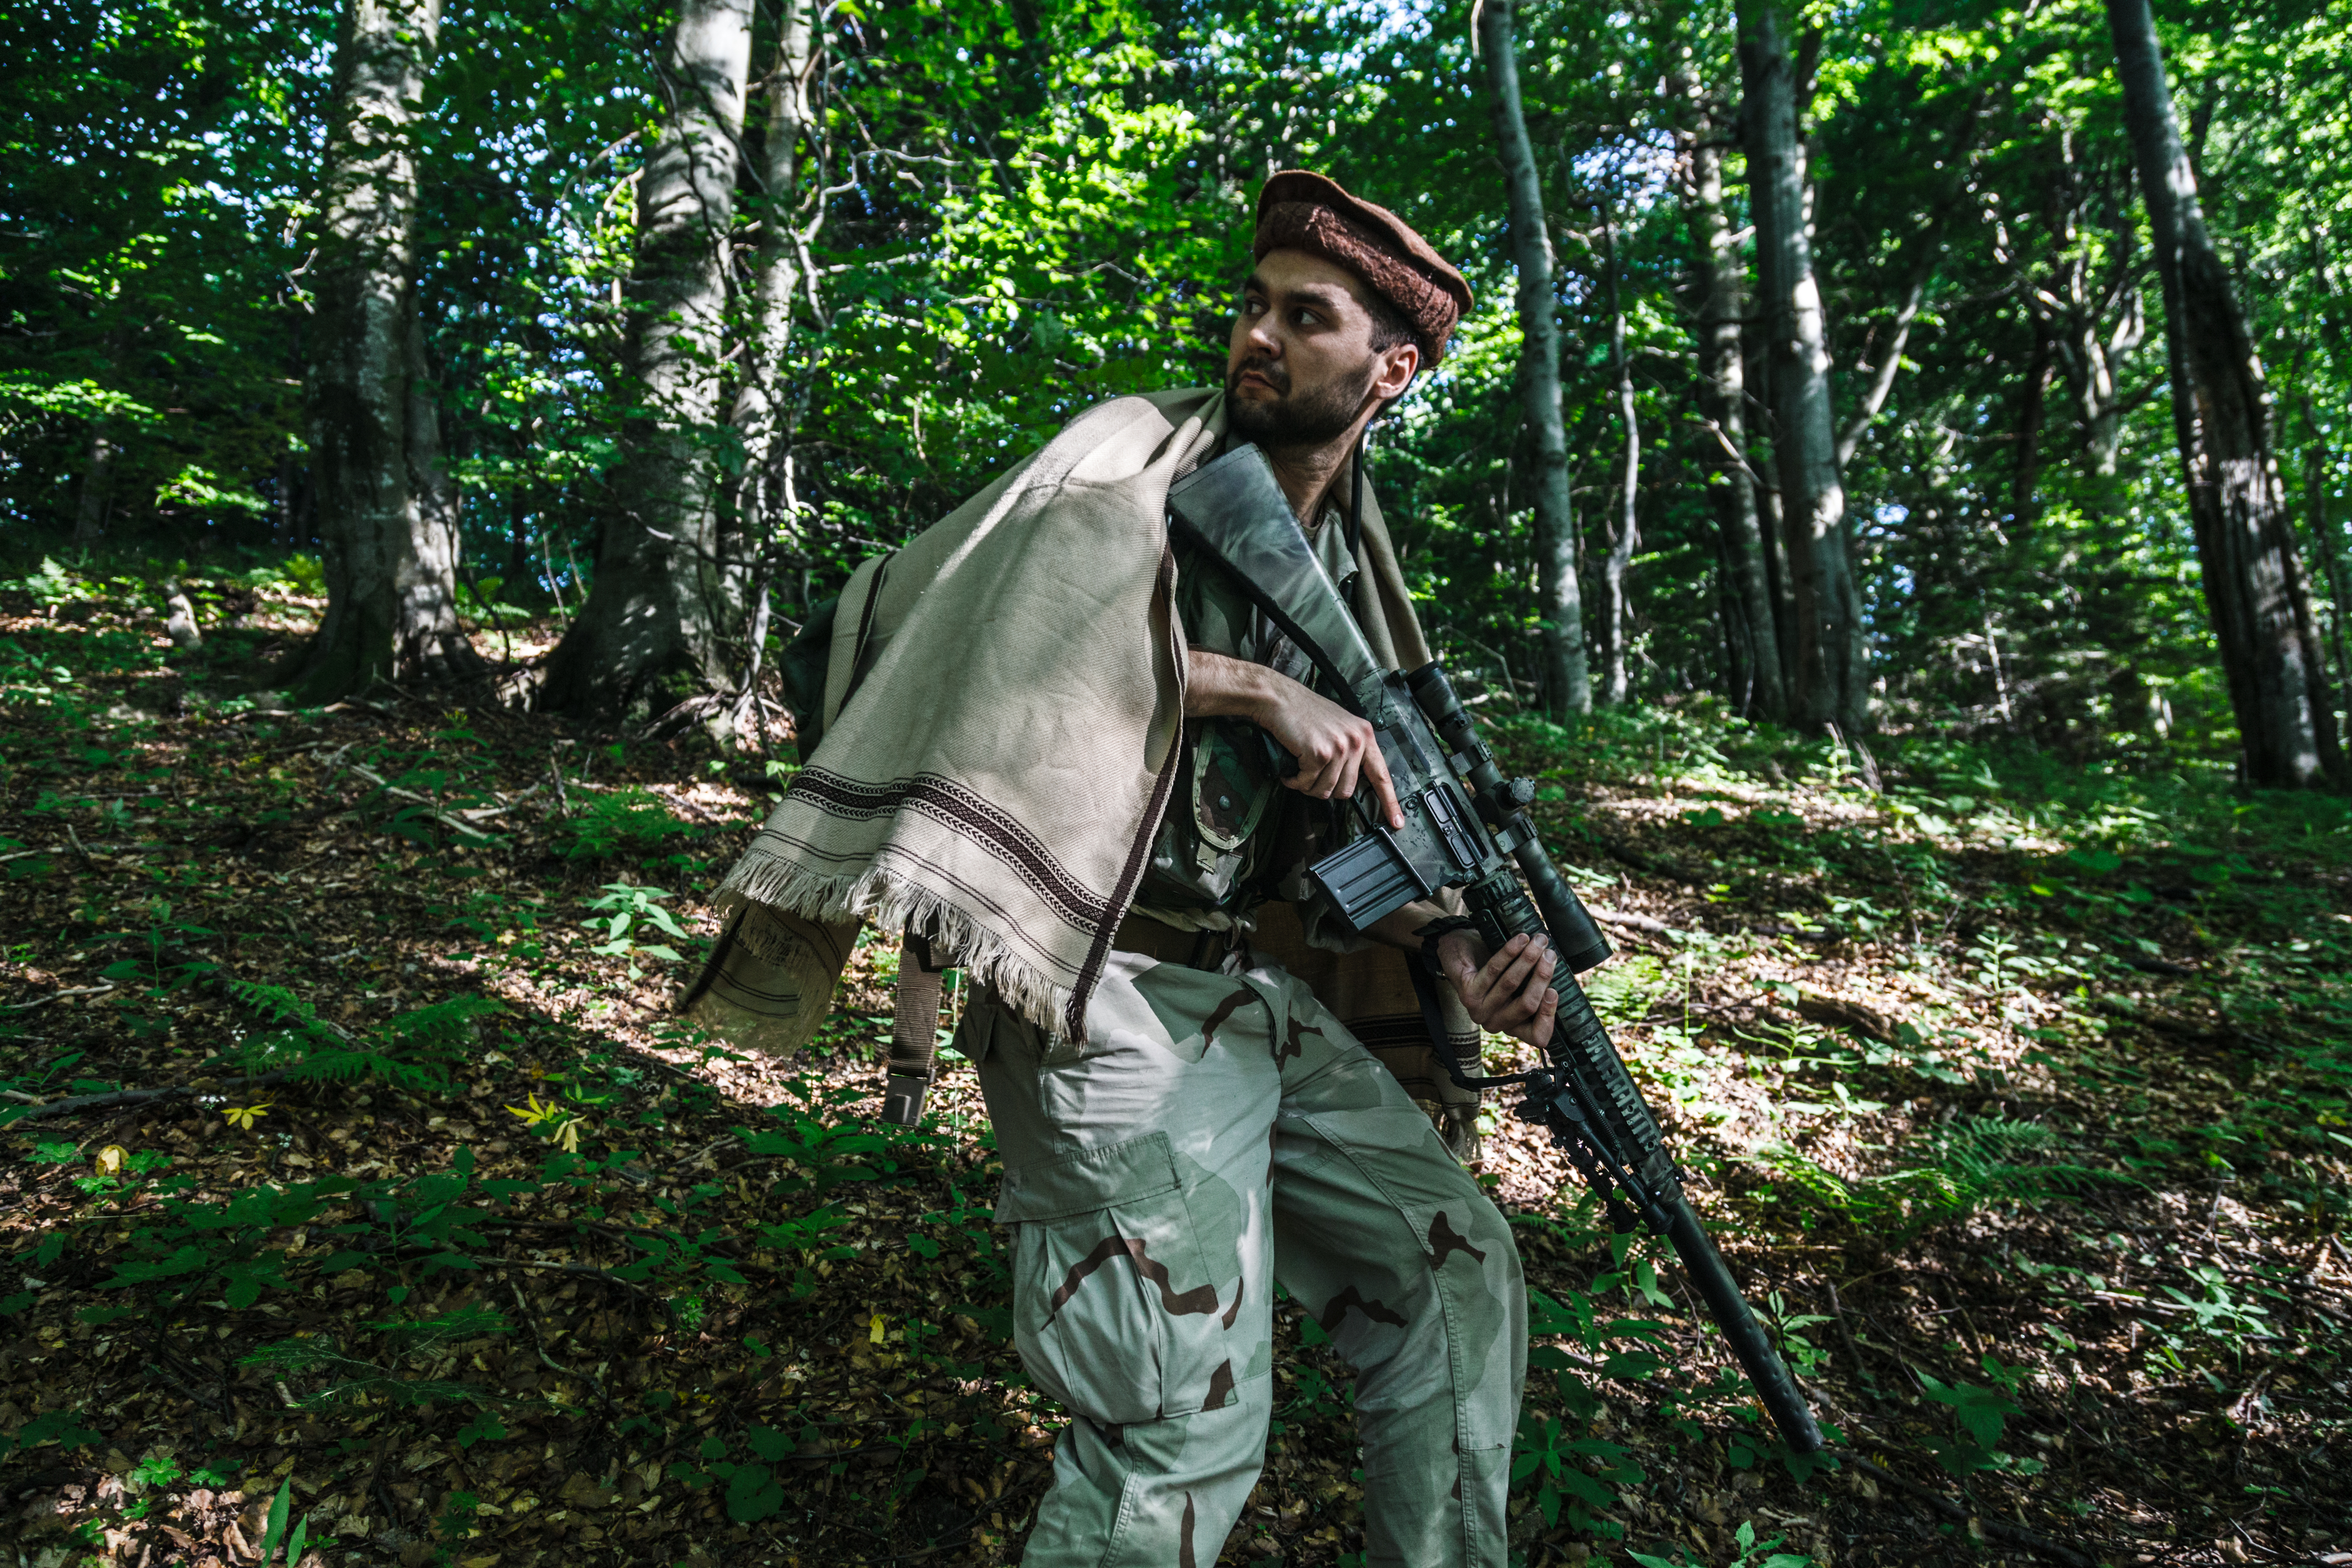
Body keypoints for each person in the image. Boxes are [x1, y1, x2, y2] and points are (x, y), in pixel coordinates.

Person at [687, 171, 1560, 1568]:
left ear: (1390, 370)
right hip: (1100, 994)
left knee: (1458, 1271)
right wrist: (1244, 691)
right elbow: (977, 632)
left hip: (1251, 1000)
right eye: (1253, 305)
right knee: (1180, 1423)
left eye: (1306, 316)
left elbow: (1339, 831)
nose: (1258, 335)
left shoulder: (1351, 565)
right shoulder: (1126, 463)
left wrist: (1454, 949)